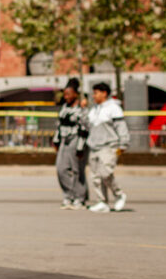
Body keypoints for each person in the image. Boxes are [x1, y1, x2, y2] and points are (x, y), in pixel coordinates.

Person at [86, 82, 130, 213]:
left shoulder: (113, 108)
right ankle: (102, 201)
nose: (94, 96)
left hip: (109, 146)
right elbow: (88, 125)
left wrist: (123, 143)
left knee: (106, 173)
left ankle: (119, 194)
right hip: (94, 146)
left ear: (104, 93)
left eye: (96, 93)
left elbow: (121, 127)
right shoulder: (94, 109)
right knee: (95, 176)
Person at [52, 77, 88, 209]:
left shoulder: (82, 108)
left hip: (76, 140)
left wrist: (80, 147)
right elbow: (59, 125)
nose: (66, 96)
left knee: (77, 170)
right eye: (65, 94)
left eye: (68, 94)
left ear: (75, 94)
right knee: (61, 169)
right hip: (64, 141)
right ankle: (68, 195)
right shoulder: (64, 108)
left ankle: (80, 198)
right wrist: (56, 140)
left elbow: (85, 128)